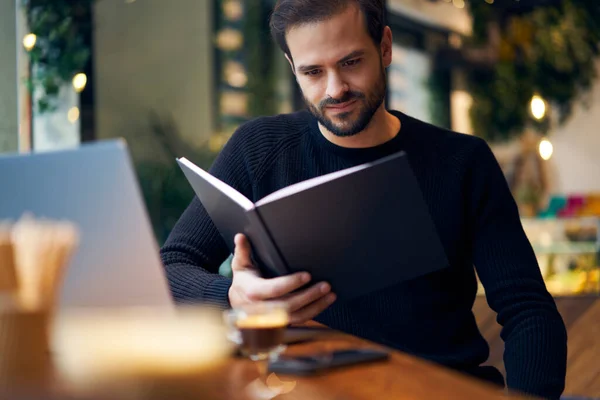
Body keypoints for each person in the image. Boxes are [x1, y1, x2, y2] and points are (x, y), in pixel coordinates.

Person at [160, 0, 567, 398]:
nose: (335, 89)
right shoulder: (257, 148)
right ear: (292, 68)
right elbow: (169, 268)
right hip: (304, 389)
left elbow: (527, 310)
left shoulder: (462, 162)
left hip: (440, 388)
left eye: (351, 62)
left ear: (385, 47)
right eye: (313, 72)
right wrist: (232, 295)